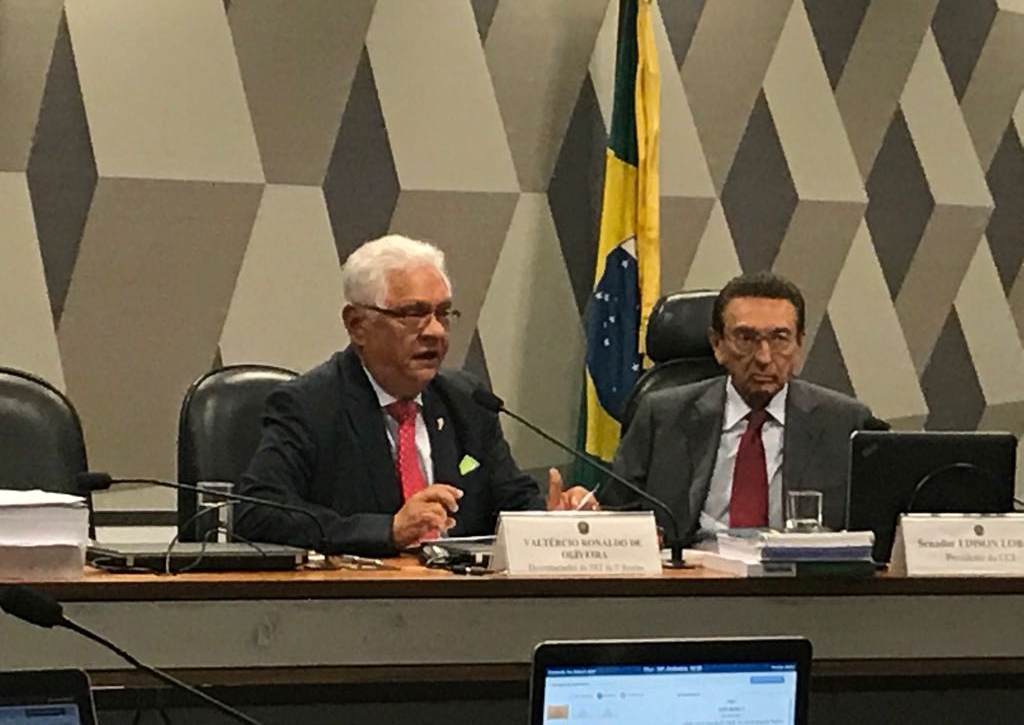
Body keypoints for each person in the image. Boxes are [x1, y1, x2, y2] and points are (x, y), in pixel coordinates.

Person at [234, 234, 594, 556]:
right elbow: (257, 512)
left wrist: (551, 521)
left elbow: (511, 502)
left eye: (443, 313)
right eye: (413, 314)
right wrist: (388, 530)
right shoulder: (311, 405)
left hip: (464, 598)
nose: (435, 331)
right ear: (357, 325)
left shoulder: (467, 402)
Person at [604, 272, 875, 539]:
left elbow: (873, 531)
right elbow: (615, 517)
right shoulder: (662, 416)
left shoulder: (845, 423)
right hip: (691, 564)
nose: (764, 357)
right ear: (717, 345)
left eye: (779, 338)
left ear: (799, 345)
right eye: (746, 339)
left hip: (799, 567)